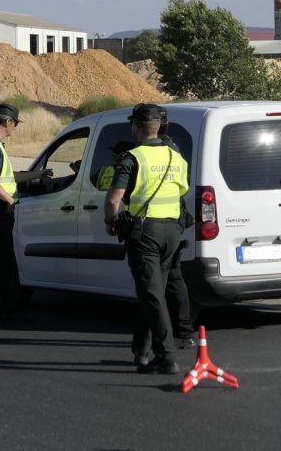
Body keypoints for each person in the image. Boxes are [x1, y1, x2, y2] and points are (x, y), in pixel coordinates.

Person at [104, 103, 189, 374]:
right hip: (172, 232)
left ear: (136, 128)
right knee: (152, 291)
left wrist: (110, 221)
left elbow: (113, 198)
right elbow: (182, 189)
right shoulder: (175, 155)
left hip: (146, 234)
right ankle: (141, 351)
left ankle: (167, 356)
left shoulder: (132, 158)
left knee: (151, 294)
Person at [0, 102, 52, 321]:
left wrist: (36, 175)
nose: (15, 128)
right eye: (15, 123)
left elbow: (8, 177)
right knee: (3, 261)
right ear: (8, 122)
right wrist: (10, 200)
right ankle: (4, 307)